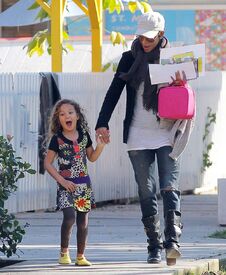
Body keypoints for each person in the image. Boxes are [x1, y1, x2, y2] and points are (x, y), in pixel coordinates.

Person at [95, 11, 194, 266]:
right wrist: (102, 122)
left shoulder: (173, 59)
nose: (144, 41)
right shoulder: (129, 59)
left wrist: (180, 84)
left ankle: (172, 243)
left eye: (149, 37)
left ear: (161, 35)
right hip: (138, 134)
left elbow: (186, 96)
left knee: (169, 187)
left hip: (167, 130)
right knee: (146, 191)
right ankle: (154, 246)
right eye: (141, 36)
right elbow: (113, 92)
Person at [44, 99, 105, 266]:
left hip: (83, 185)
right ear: (58, 119)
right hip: (65, 185)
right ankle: (64, 253)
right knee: (69, 217)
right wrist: (62, 181)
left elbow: (91, 158)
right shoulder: (57, 139)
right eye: (62, 114)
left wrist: (100, 146)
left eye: (70, 112)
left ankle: (80, 256)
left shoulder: (84, 136)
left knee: (83, 221)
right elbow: (47, 164)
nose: (66, 116)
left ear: (77, 116)